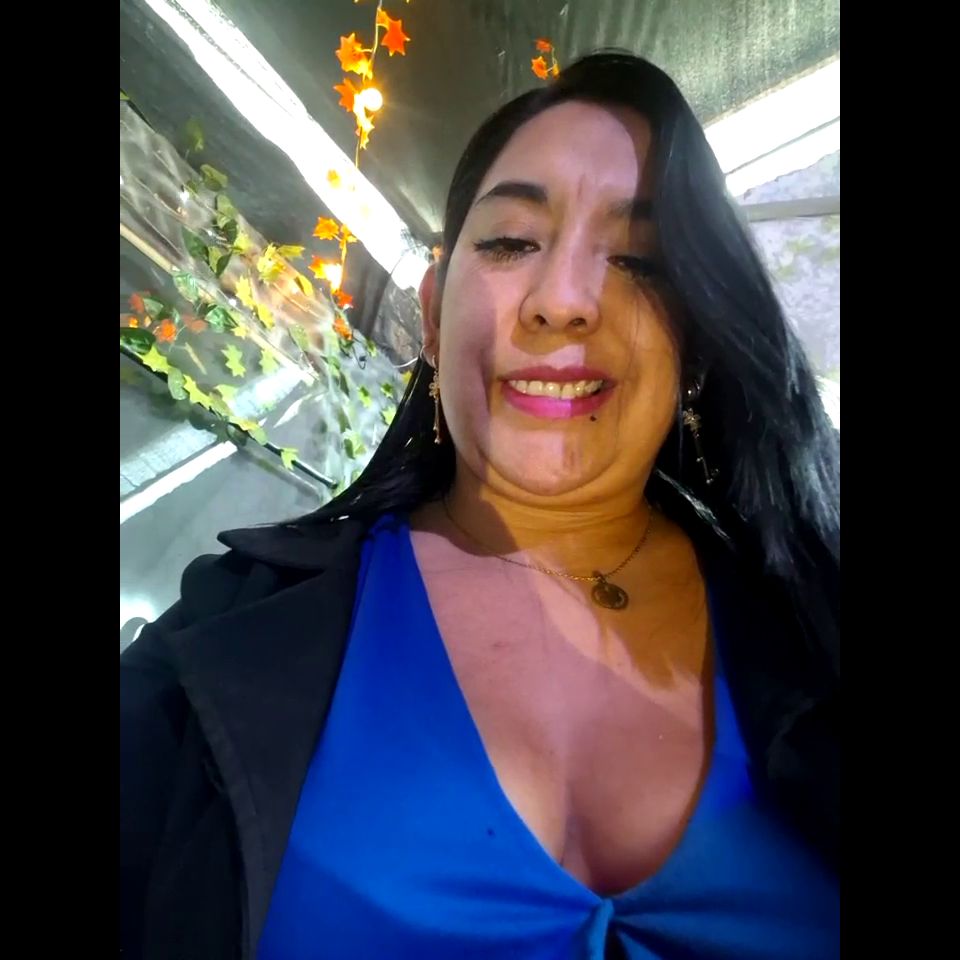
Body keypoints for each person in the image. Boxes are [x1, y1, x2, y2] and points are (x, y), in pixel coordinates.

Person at [120, 51, 839, 960]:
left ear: (695, 344)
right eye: (510, 242)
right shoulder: (221, 632)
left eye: (639, 260)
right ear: (432, 313)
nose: (564, 302)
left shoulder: (814, 619)